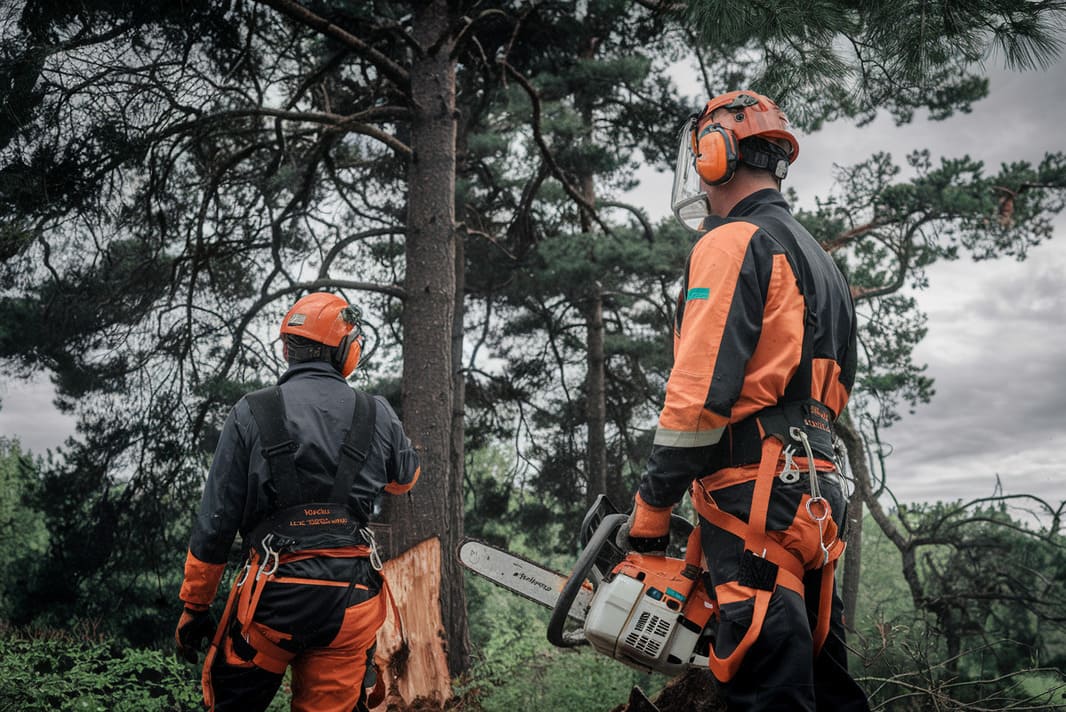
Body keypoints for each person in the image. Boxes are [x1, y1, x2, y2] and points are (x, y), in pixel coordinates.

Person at [617, 91, 870, 710]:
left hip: (754, 495)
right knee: (820, 679)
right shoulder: (820, 260)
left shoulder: (733, 241)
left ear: (712, 156)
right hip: (815, 493)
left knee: (764, 687)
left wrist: (650, 515)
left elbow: (697, 399)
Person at [174, 292, 421, 712]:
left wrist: (196, 606)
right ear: (345, 350)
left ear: (288, 349)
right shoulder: (376, 411)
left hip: (274, 594)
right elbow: (405, 480)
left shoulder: (251, 411)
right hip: (350, 596)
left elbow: (216, 520)